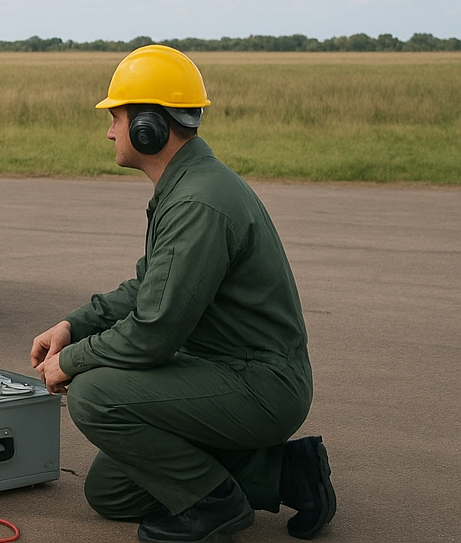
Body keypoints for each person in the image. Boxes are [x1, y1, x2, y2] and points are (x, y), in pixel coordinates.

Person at [30, 45, 336, 543]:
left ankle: (215, 508)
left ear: (149, 126)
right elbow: (146, 289)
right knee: (111, 492)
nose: (109, 130)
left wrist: (74, 361)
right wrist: (74, 325)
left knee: (93, 395)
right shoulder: (186, 186)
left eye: (117, 116)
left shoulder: (198, 201)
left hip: (260, 383)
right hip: (225, 369)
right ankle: (287, 474)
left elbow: (154, 333)